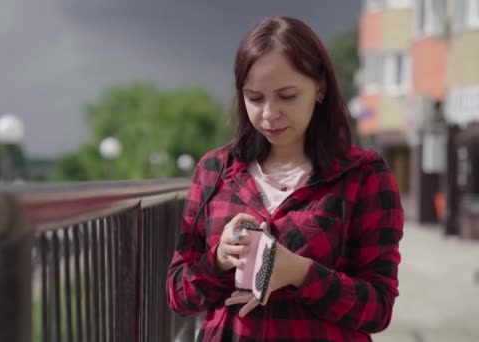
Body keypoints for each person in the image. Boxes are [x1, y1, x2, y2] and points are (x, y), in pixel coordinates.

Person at [165, 16, 404, 341]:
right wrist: (219, 259)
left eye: (287, 96)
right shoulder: (214, 170)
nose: (269, 114)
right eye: (255, 98)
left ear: (319, 87)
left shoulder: (363, 175)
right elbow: (178, 295)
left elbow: (378, 308)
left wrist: (301, 273)